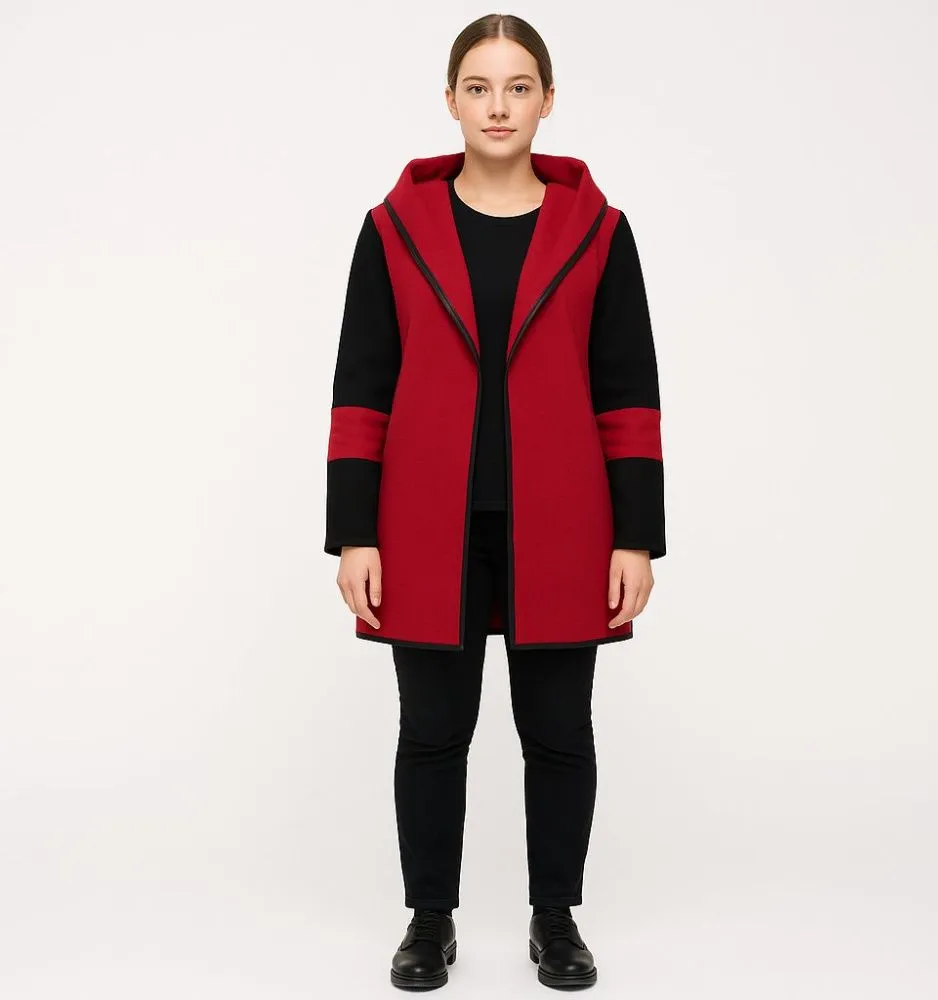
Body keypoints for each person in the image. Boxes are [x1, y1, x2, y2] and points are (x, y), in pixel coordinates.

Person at [324, 13, 666, 991]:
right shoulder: (392, 230)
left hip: (563, 523)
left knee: (558, 732)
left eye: (518, 87)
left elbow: (627, 390)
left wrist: (635, 537)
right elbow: (361, 385)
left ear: (548, 100)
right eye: (479, 87)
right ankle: (428, 921)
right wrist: (354, 532)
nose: (499, 106)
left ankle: (555, 919)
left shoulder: (599, 233)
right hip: (422, 524)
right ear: (450, 101)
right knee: (432, 733)